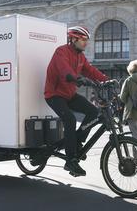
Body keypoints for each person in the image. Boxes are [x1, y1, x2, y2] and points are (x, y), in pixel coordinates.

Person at [43, 26, 109, 177]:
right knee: (70, 120)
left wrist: (108, 80)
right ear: (73, 39)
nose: (86, 43)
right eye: (83, 40)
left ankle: (77, 142)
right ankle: (70, 160)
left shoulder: (80, 57)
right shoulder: (61, 51)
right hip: (54, 95)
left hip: (69, 94)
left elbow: (91, 71)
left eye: (87, 40)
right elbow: (64, 70)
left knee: (94, 112)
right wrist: (77, 78)